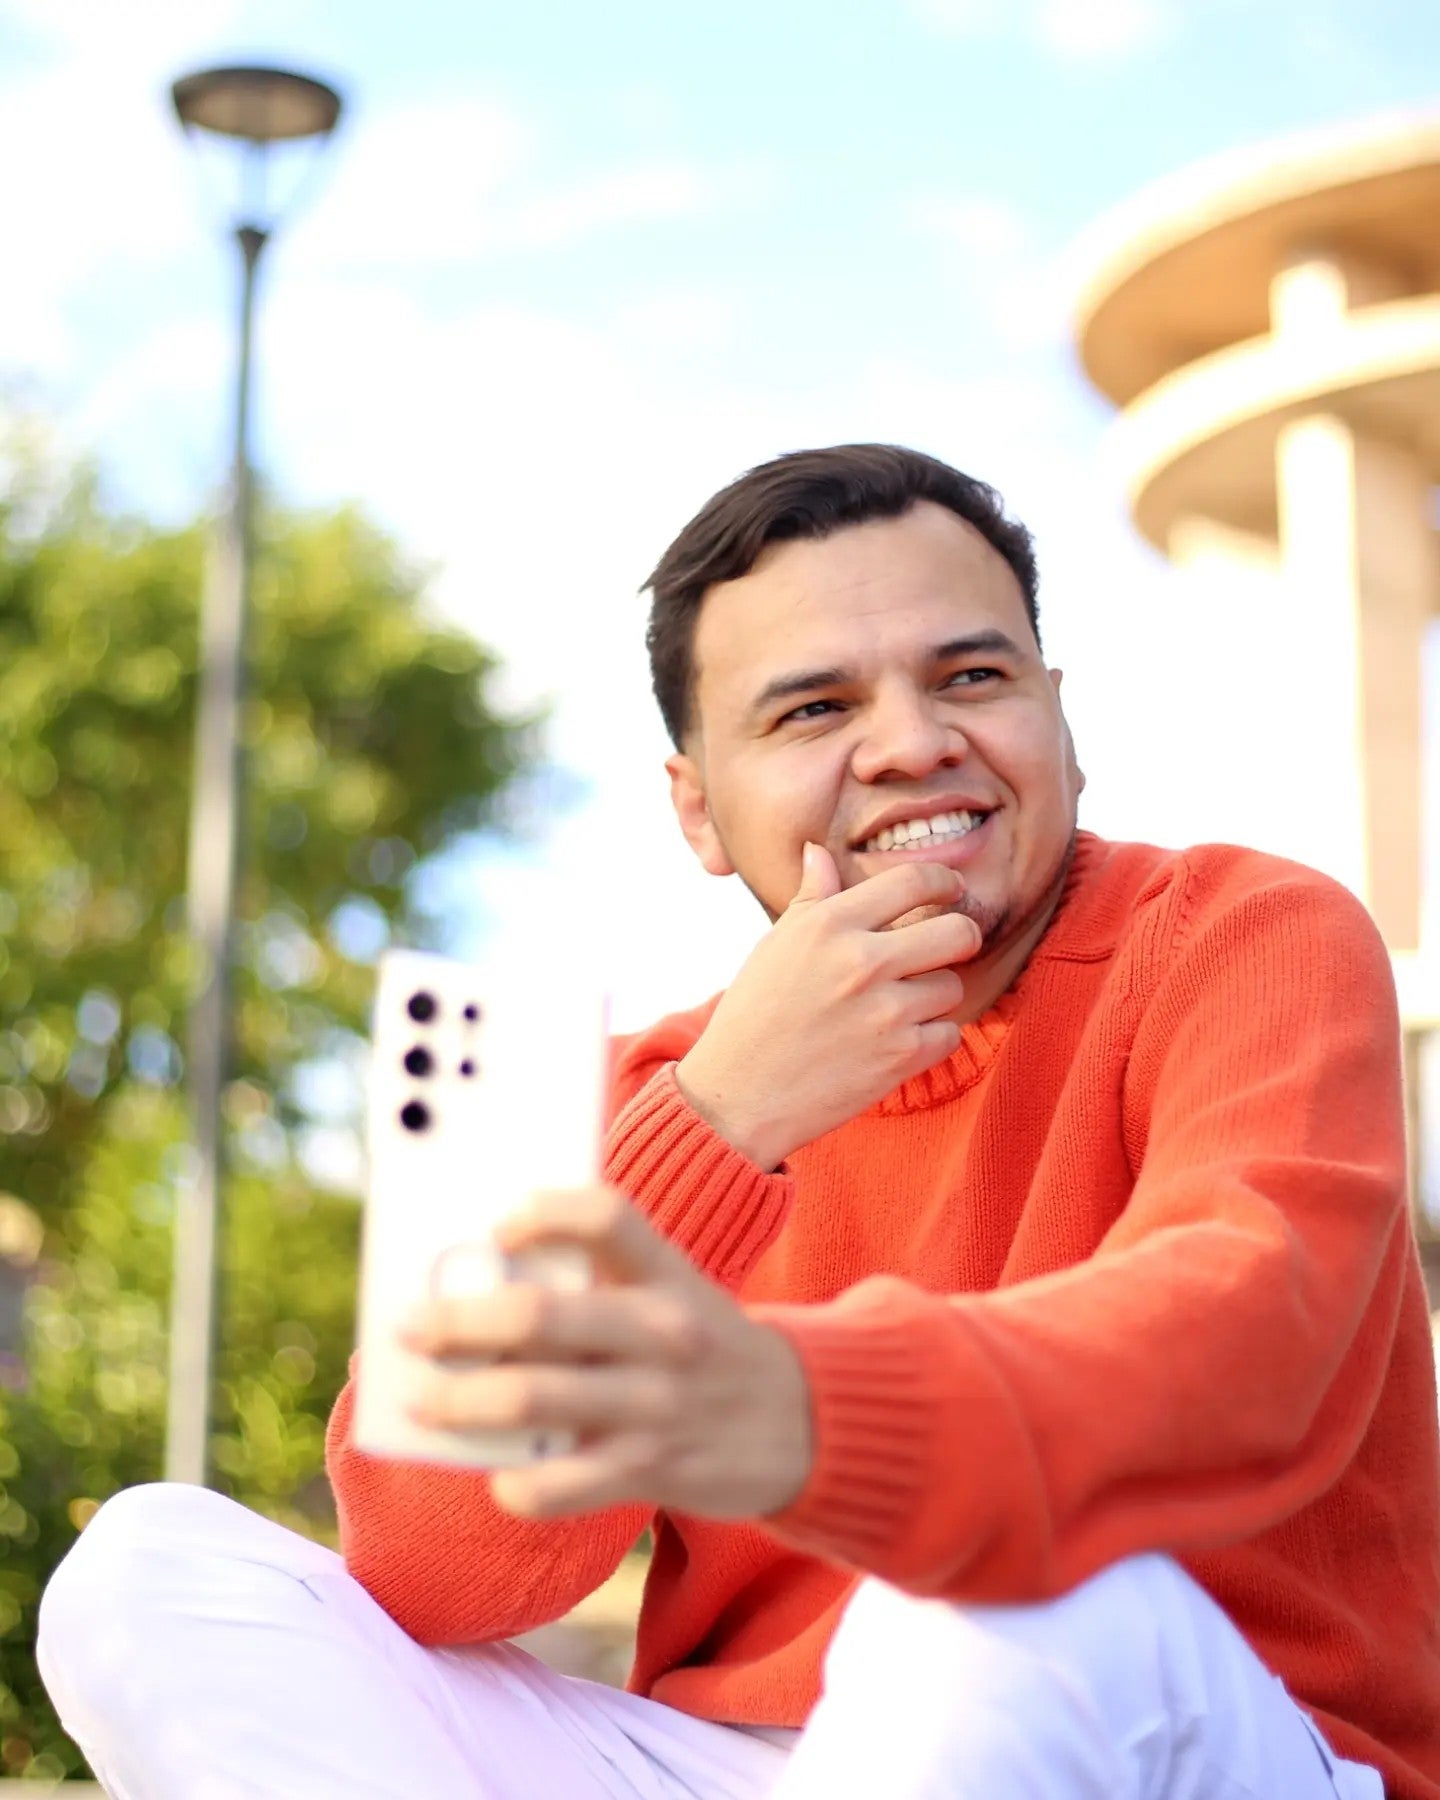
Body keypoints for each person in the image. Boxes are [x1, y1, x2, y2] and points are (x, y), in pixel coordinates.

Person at [36, 443, 1440, 1799]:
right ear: (698, 811)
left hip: (1191, 1732)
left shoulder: (1245, 933)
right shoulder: (625, 1085)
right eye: (815, 709)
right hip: (741, 1764)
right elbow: (428, 1570)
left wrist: (795, 1410)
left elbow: (1247, 1349)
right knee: (149, 1574)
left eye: (973, 676)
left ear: (1061, 723)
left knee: (1000, 1580)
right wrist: (720, 1118)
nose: (915, 744)